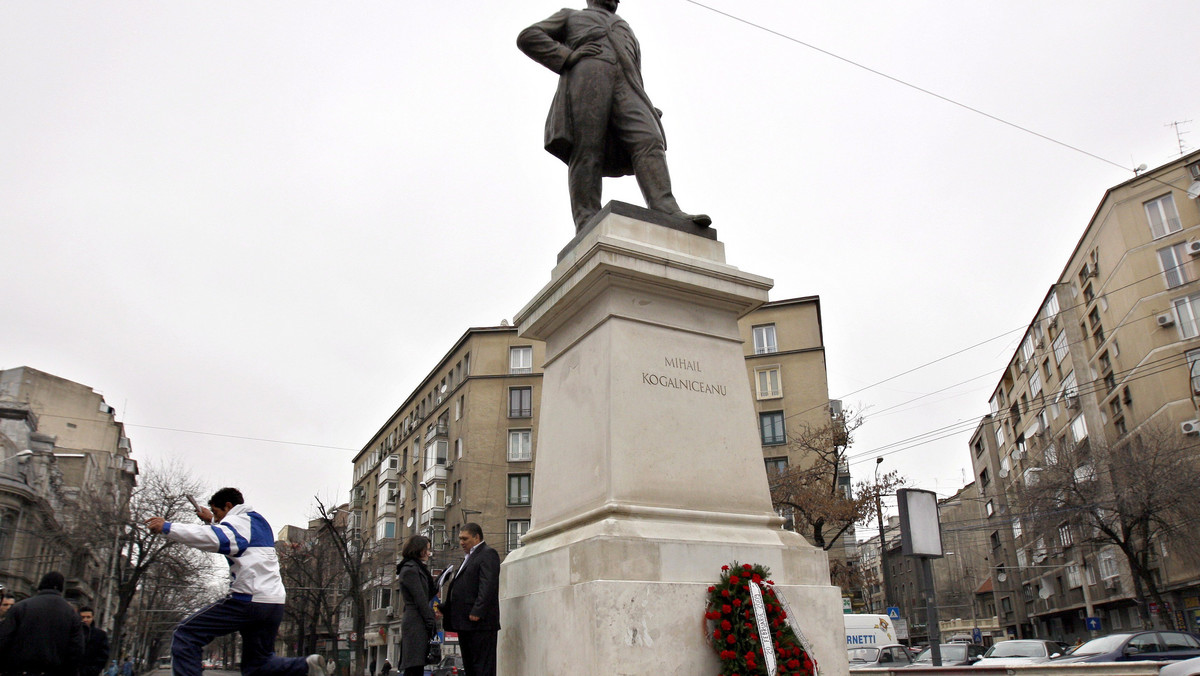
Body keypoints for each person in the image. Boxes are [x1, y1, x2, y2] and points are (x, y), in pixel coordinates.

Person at [518, 0, 711, 232]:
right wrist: (567, 56)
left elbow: (634, 70)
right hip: (588, 77)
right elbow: (529, 36)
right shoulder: (570, 16)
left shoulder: (625, 26)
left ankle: (665, 207)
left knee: (649, 139)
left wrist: (645, 103)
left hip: (628, 88)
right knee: (587, 148)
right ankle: (587, 218)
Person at [145, 487, 332, 676]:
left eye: (218, 513)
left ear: (228, 506)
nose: (218, 520)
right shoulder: (257, 521)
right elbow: (233, 533)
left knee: (186, 635)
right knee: (258, 665)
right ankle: (306, 665)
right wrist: (210, 519)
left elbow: (220, 539)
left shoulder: (238, 522)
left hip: (248, 601)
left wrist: (168, 527)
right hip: (273, 604)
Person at [0, 571, 85, 676]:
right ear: (61, 588)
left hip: (19, 670)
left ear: (41, 585)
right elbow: (77, 650)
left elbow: (4, 639)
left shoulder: (20, 607)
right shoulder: (72, 615)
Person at [442, 523, 499, 676]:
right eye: (460, 539)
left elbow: (488, 585)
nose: (461, 542)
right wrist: (446, 608)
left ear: (477, 537)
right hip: (465, 623)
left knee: (482, 668)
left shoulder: (488, 554)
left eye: (465, 538)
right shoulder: (468, 558)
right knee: (471, 668)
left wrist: (478, 610)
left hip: (480, 624)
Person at [396, 536, 437, 676]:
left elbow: (425, 594)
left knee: (417, 664)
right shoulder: (410, 570)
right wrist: (430, 621)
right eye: (427, 549)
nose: (429, 553)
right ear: (419, 550)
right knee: (414, 665)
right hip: (415, 622)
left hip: (417, 620)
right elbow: (420, 600)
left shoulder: (417, 568)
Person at [79, 605, 110, 676]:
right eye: (82, 617)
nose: (85, 620)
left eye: (88, 617)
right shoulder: (73, 632)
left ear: (92, 618)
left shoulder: (100, 635)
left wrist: (93, 670)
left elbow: (103, 656)